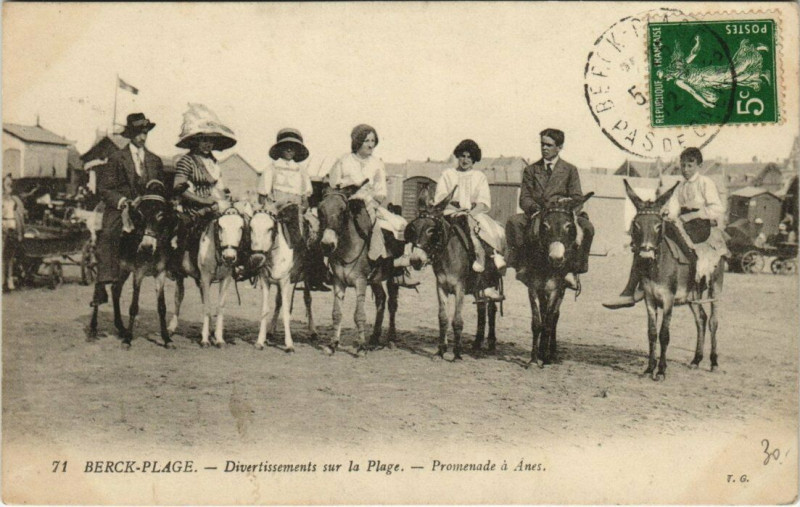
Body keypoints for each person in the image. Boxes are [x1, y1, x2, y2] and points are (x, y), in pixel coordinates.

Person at [603, 147, 727, 309]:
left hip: (700, 225)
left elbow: (717, 208)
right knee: (651, 242)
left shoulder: (705, 183)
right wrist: (668, 214)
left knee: (687, 248)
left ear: (699, 166)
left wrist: (692, 216)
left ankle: (691, 286)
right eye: (683, 165)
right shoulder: (680, 186)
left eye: (690, 165)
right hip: (681, 223)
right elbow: (674, 208)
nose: (686, 169)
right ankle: (634, 287)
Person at [328, 124, 417, 287]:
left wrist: (373, 203)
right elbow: (333, 185)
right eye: (366, 141)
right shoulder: (343, 161)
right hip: (343, 205)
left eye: (373, 141)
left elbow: (381, 190)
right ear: (357, 142)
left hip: (368, 204)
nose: (370, 145)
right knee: (326, 226)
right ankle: (323, 269)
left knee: (394, 226)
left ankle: (394, 270)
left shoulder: (377, 163)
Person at [505, 128, 594, 289]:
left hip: (562, 214)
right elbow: (524, 198)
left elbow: (577, 197)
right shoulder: (531, 170)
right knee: (513, 222)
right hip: (539, 212)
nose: (544, 148)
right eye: (542, 144)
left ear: (559, 147)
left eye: (549, 145)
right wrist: (534, 208)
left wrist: (569, 204)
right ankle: (522, 264)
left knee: (587, 227)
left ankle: (574, 269)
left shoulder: (569, 169)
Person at [91, 113, 164, 308]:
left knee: (165, 228)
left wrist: (152, 199)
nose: (142, 137)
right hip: (122, 207)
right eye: (139, 133)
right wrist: (123, 201)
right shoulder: (116, 158)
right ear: (130, 134)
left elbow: (159, 186)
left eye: (145, 133)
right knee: (108, 233)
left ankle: (170, 266)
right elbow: (105, 188)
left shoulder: (154, 160)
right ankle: (104, 281)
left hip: (146, 208)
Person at [254, 128, 329, 291]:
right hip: (275, 209)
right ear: (280, 148)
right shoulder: (271, 168)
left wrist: (303, 208)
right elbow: (262, 196)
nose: (289, 150)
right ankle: (253, 267)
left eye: (293, 147)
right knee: (257, 229)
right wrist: (270, 209)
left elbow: (306, 196)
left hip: (297, 210)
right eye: (286, 146)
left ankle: (314, 272)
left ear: (297, 150)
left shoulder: (301, 171)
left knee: (315, 232)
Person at [434, 139, 506, 301]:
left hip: (474, 213)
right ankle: (433, 263)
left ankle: (487, 281)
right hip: (451, 212)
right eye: (462, 156)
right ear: (457, 157)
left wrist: (471, 213)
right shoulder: (448, 174)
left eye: (469, 157)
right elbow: (441, 197)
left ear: (474, 159)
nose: (465, 160)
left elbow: (484, 201)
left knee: (487, 234)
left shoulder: (479, 176)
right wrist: (453, 210)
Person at [172, 104, 237, 257]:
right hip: (192, 208)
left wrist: (226, 197)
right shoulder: (186, 161)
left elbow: (220, 186)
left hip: (214, 206)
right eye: (204, 140)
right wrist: (203, 201)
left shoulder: (214, 162)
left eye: (211, 140)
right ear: (196, 141)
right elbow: (178, 188)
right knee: (184, 233)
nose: (208, 144)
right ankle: (179, 264)